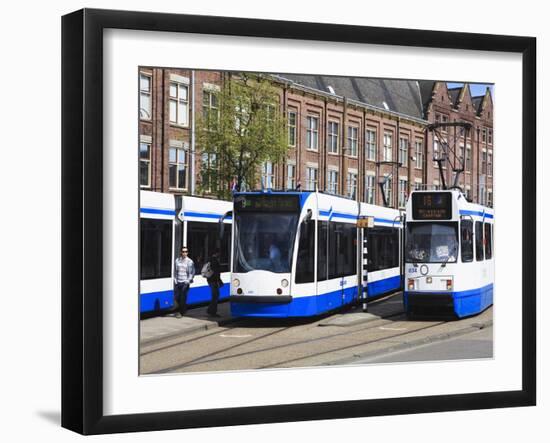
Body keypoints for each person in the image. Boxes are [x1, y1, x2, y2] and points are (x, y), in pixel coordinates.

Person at [174, 246, 195, 318]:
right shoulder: (177, 260)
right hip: (178, 282)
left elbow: (192, 272)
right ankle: (184, 309)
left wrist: (188, 281)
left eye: (186, 252)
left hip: (185, 282)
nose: (184, 253)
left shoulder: (190, 261)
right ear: (181, 252)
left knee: (182, 297)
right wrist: (175, 280)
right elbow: (175, 271)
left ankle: (181, 313)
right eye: (183, 251)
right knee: (177, 297)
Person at [206, 248, 223, 317]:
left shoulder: (209, 259)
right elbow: (216, 273)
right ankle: (212, 311)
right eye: (219, 253)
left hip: (210, 280)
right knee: (215, 296)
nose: (219, 254)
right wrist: (219, 281)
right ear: (217, 253)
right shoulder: (215, 261)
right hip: (214, 281)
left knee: (215, 296)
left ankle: (210, 310)